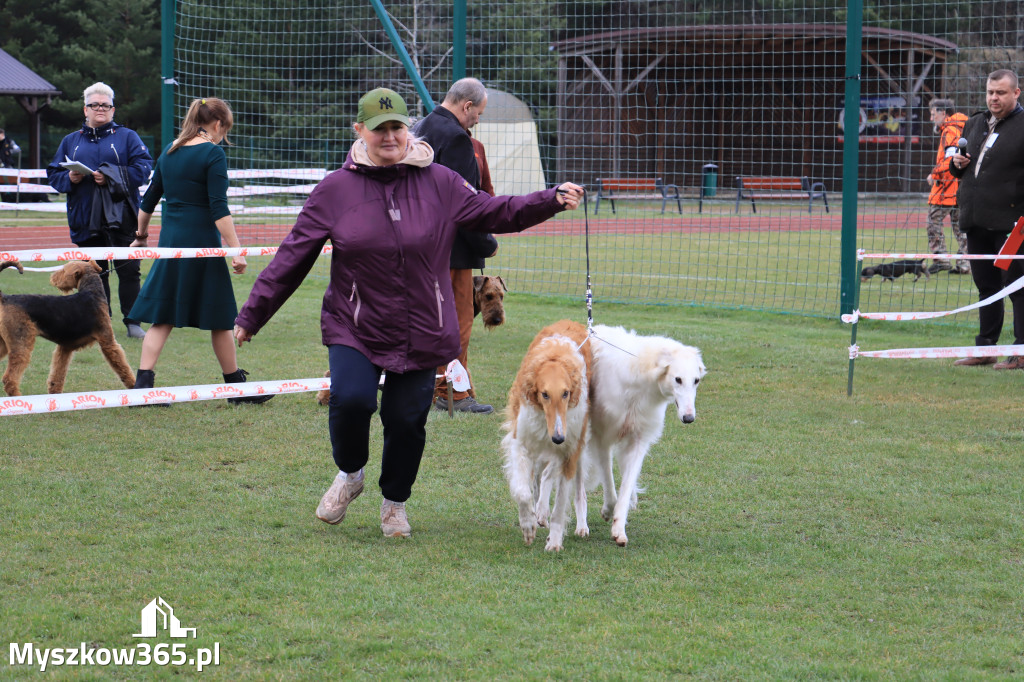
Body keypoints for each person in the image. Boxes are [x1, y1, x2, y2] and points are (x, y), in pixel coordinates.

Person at [233, 87, 583, 537]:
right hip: (354, 322)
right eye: (379, 129)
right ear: (360, 131)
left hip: (423, 323)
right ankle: (351, 474)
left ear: (408, 130)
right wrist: (252, 315)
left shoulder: (440, 181)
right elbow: (293, 255)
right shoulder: (335, 190)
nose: (389, 136)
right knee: (352, 400)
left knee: (406, 420)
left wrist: (549, 199)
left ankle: (394, 504)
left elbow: (495, 211)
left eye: (397, 126)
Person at [128, 97, 272, 404]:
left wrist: (140, 236)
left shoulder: (170, 151)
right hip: (203, 244)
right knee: (220, 317)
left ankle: (143, 386)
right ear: (217, 124)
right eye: (224, 129)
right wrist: (237, 250)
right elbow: (219, 208)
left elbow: (148, 201)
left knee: (162, 316)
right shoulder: (213, 153)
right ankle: (235, 388)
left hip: (171, 242)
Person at [412, 78, 497, 414]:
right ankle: (454, 394)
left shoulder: (419, 129)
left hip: (417, 244)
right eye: (478, 113)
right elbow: (464, 205)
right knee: (458, 322)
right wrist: (486, 243)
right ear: (466, 106)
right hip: (452, 250)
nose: (478, 119)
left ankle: (427, 387)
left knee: (423, 319)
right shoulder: (458, 140)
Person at [46, 82, 153, 339]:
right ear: (86, 110)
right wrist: (69, 179)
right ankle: (99, 322)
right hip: (85, 217)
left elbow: (144, 167)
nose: (100, 109)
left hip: (124, 217)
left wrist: (111, 176)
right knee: (94, 272)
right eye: (95, 105)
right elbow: (53, 173)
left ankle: (133, 322)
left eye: (105, 105)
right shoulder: (71, 141)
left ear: (113, 109)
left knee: (129, 270)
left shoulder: (128, 137)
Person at [950, 69, 1024, 370]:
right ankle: (985, 348)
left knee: (1018, 286)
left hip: (1012, 225)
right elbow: (961, 170)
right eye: (991, 92)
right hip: (975, 219)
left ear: (1016, 93)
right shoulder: (975, 122)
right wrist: (957, 164)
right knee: (986, 286)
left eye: (1001, 92)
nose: (994, 98)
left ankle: (1020, 352)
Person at [925, 99, 969, 274]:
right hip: (961, 187)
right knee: (960, 227)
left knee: (933, 222)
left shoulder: (949, 131)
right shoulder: (962, 128)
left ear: (943, 113)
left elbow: (950, 160)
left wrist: (934, 174)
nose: (931, 118)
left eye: (933, 114)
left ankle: (941, 258)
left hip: (947, 188)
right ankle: (965, 263)